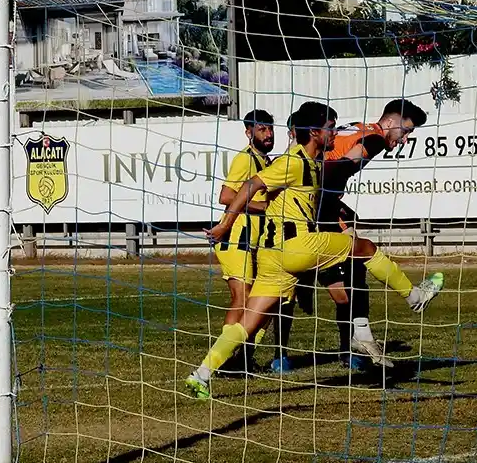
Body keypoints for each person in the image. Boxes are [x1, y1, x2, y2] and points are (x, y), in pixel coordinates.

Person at [183, 103, 444, 400]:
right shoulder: (298, 161)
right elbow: (250, 184)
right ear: (317, 133)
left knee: (250, 322)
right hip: (298, 246)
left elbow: (291, 190)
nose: (335, 132)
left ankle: (201, 375)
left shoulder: (311, 161)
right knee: (365, 249)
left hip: (273, 256)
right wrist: (224, 225)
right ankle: (414, 297)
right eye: (331, 128)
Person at [317, 98, 429, 370]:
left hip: (317, 207)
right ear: (389, 122)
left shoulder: (356, 127)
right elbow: (340, 168)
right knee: (361, 249)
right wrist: (318, 183)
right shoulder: (375, 139)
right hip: (314, 209)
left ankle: (361, 337)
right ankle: (412, 297)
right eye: (405, 132)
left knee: (348, 279)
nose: (404, 140)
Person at [213, 110, 274, 374]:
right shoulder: (245, 159)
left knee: (266, 301)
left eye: (270, 129)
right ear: (249, 133)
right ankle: (225, 360)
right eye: (261, 129)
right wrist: (265, 207)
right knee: (242, 298)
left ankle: (244, 358)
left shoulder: (266, 161)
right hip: (235, 239)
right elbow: (226, 196)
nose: (268, 134)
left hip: (255, 241)